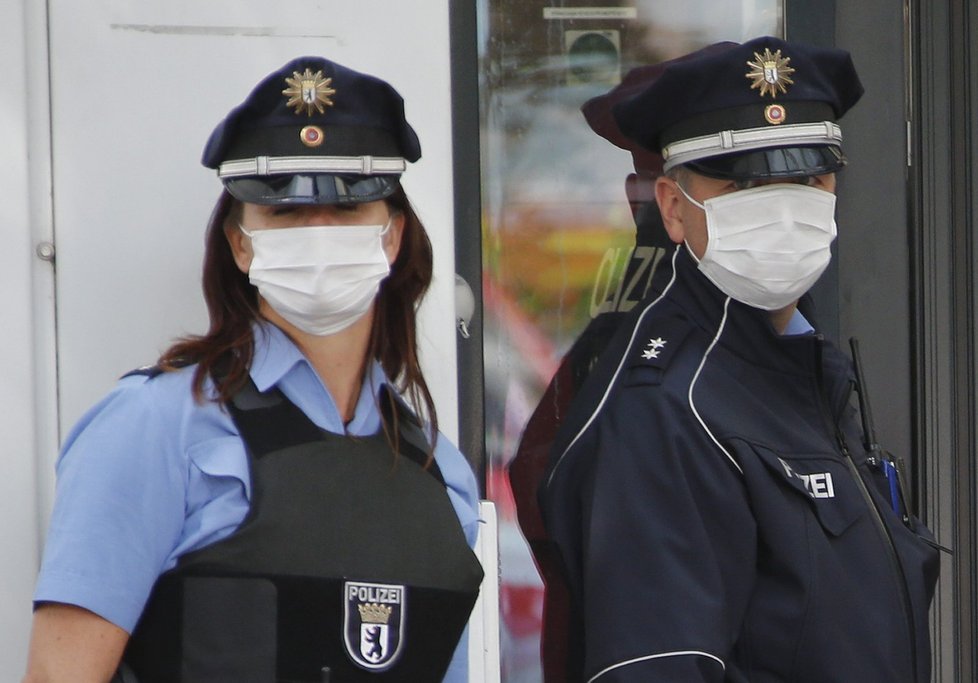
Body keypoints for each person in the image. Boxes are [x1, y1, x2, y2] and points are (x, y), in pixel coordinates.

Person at [23, 56, 484, 683]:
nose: (319, 231)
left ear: (393, 236)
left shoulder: (439, 474)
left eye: (348, 211)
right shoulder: (155, 427)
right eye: (286, 213)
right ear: (241, 241)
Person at [539, 36, 942, 682]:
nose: (785, 206)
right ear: (674, 207)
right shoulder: (665, 410)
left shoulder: (799, 371)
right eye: (748, 180)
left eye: (809, 175)